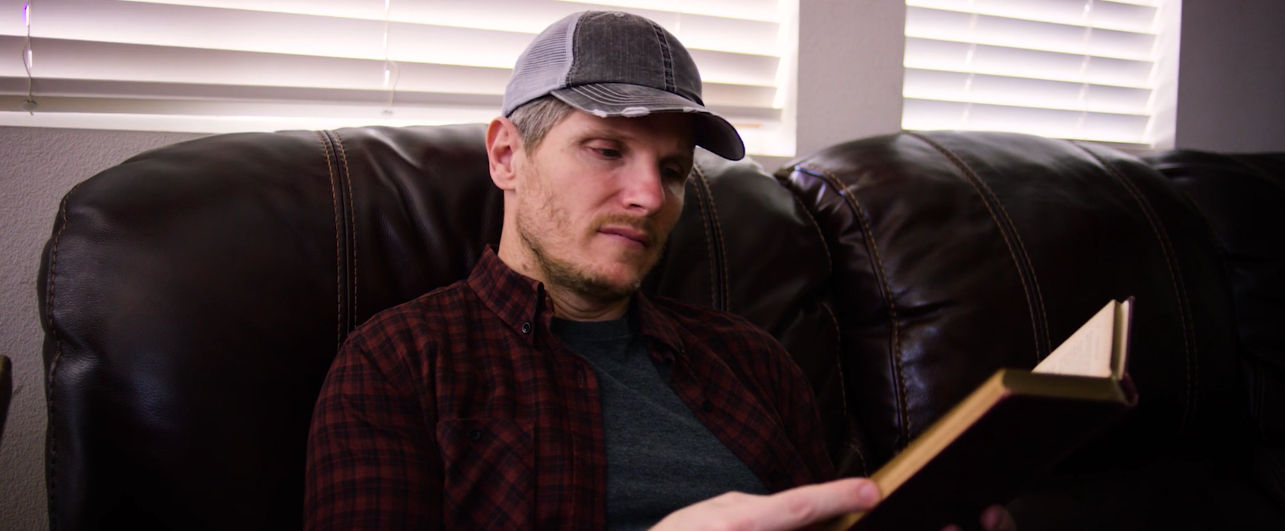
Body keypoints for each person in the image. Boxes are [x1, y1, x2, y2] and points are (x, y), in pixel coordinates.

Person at [305, 10, 1013, 530]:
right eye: (607, 150)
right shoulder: (400, 363)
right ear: (506, 156)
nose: (650, 195)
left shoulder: (752, 363)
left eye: (673, 169)